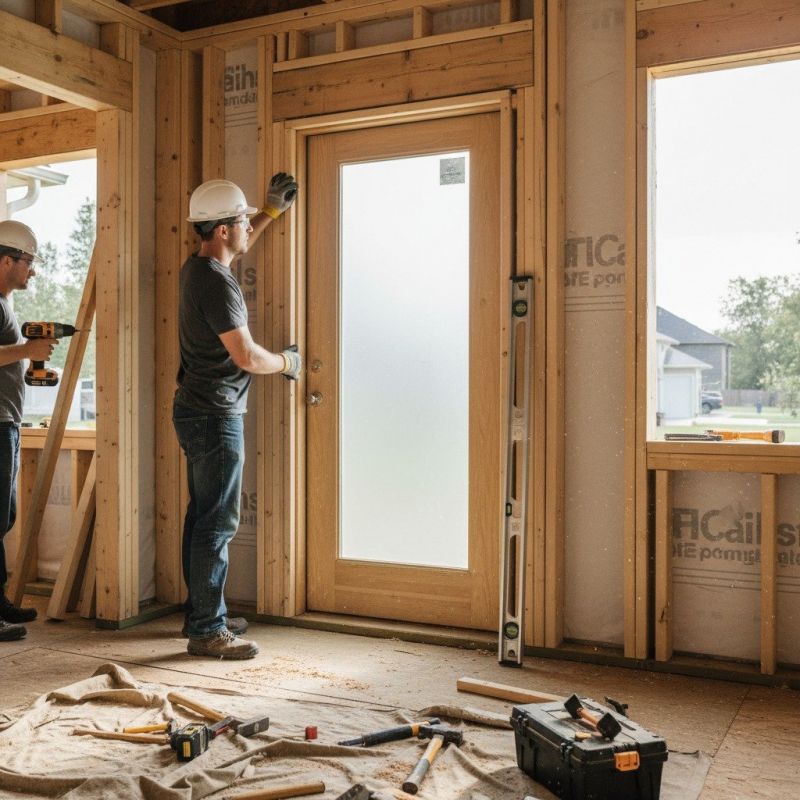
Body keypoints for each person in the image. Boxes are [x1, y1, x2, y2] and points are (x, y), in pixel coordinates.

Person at [174, 174, 301, 659]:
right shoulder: (218, 285)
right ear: (223, 229)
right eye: (244, 220)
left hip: (195, 407)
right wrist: (287, 362)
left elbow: (237, 248)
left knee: (200, 516)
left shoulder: (198, 268)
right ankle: (208, 629)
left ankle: (202, 611)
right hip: (215, 413)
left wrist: (269, 212)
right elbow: (247, 357)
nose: (249, 226)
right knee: (216, 522)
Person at [0, 220, 58, 642]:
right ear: (6, 260)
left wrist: (29, 358)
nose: (32, 270)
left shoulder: (5, 303)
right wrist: (26, 351)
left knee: (4, 517)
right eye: (28, 261)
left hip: (8, 422)